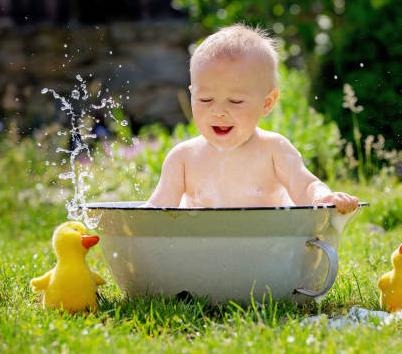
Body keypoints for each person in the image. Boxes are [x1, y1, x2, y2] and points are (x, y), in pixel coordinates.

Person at [147, 24, 359, 213]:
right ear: (192, 94)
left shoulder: (274, 150)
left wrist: (323, 198)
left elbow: (305, 186)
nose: (218, 111)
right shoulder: (183, 159)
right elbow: (154, 213)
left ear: (267, 103)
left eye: (236, 101)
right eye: (205, 99)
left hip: (265, 252)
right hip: (203, 254)